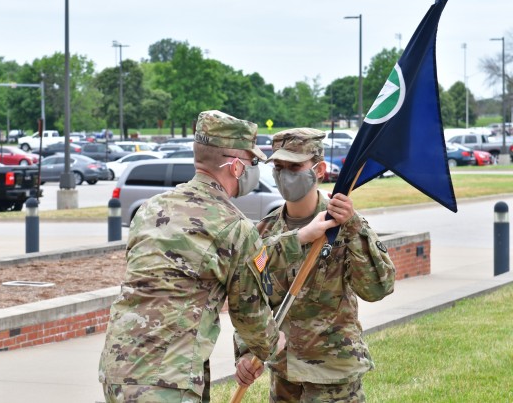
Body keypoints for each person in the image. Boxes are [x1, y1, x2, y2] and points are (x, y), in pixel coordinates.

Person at [99, 111, 337, 402]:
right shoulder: (233, 225)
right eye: (251, 162)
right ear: (236, 166)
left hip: (117, 368)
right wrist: (273, 343)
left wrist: (298, 238)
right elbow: (248, 312)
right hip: (169, 380)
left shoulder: (152, 209)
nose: (254, 170)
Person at [234, 128, 396, 402]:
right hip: (284, 375)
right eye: (278, 167)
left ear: (319, 170)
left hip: (334, 375)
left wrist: (353, 226)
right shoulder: (265, 232)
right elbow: (249, 299)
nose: (285, 175)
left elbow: (378, 288)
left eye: (295, 166)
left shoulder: (344, 225)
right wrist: (247, 352)